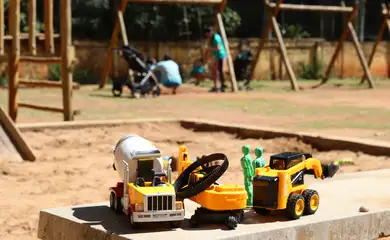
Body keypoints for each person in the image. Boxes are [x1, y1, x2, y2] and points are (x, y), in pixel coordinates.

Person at [204, 26, 227, 92]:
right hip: (217, 56)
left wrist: (208, 48)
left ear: (210, 32)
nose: (207, 35)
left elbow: (218, 48)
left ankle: (222, 87)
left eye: (208, 34)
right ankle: (216, 86)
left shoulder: (216, 38)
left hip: (221, 56)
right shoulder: (212, 38)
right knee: (215, 71)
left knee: (219, 71)